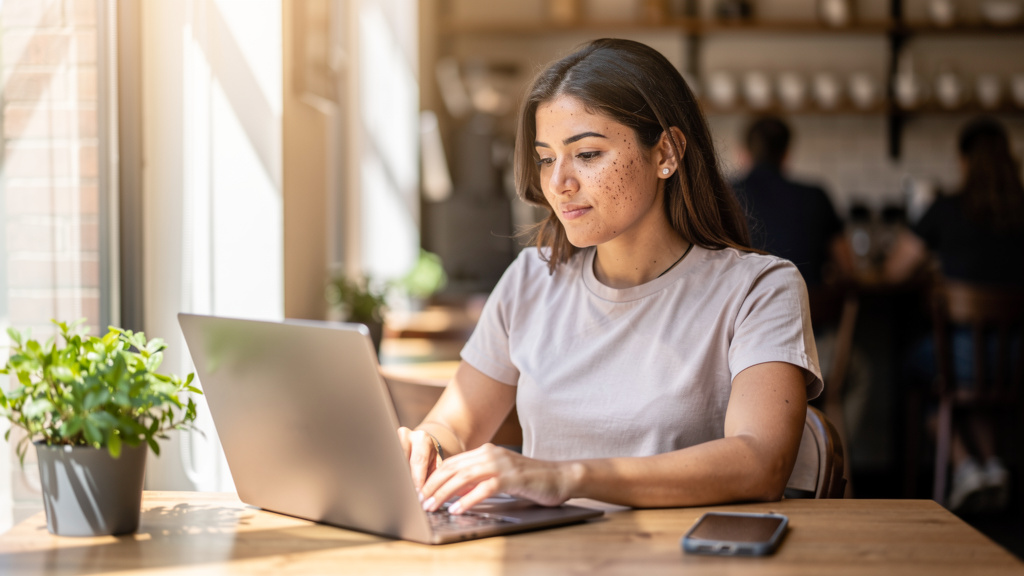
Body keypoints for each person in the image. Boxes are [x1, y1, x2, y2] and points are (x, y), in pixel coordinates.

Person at [398, 38, 822, 515]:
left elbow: (760, 462)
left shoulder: (758, 289)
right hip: (549, 559)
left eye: (588, 154)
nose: (559, 182)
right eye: (545, 158)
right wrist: (425, 446)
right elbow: (454, 427)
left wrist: (565, 476)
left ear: (667, 152)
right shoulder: (531, 280)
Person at [885, 117, 1024, 512]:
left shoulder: (945, 209)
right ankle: (993, 466)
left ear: (963, 161)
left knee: (923, 368)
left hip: (962, 355)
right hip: (1016, 359)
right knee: (978, 373)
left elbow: (895, 271)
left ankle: (964, 468)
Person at [731, 115, 853, 290]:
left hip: (744, 313)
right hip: (811, 313)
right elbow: (847, 266)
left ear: (743, 153)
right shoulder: (816, 196)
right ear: (786, 154)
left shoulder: (724, 195)